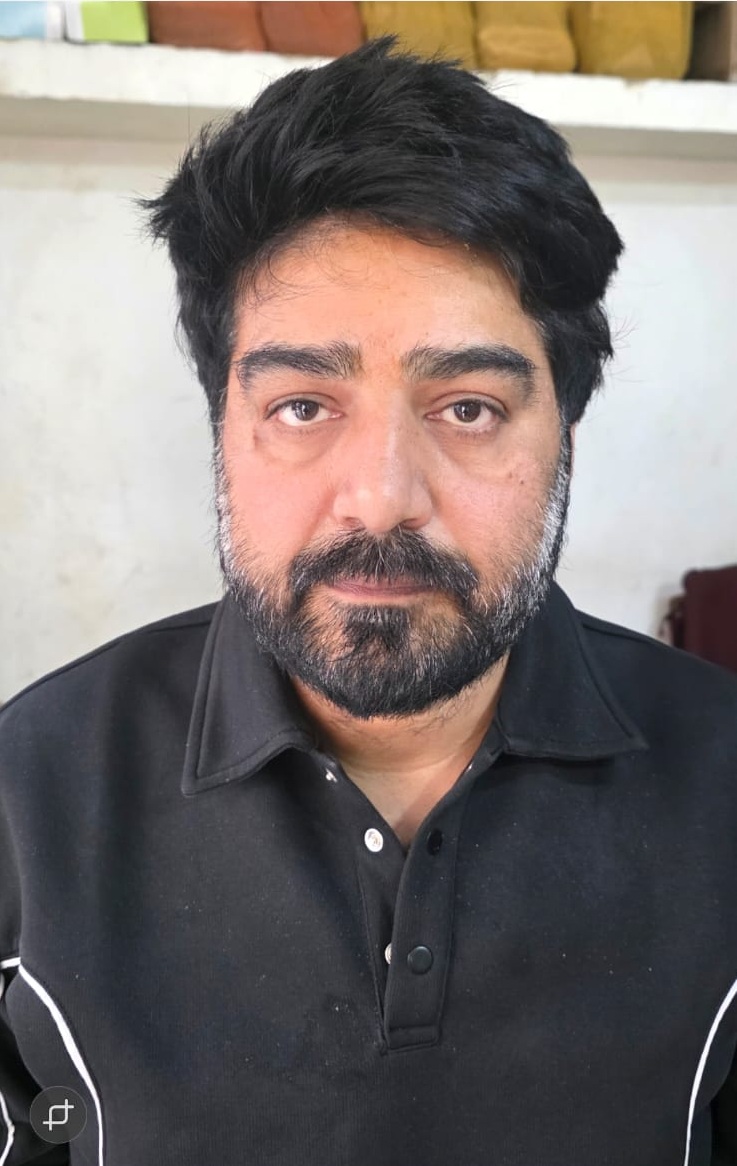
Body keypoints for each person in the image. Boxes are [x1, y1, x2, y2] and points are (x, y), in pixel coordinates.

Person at [1, 34, 735, 1166]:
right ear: (222, 430)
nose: (381, 498)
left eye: (468, 408)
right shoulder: (29, 792)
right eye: (302, 405)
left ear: (564, 433)